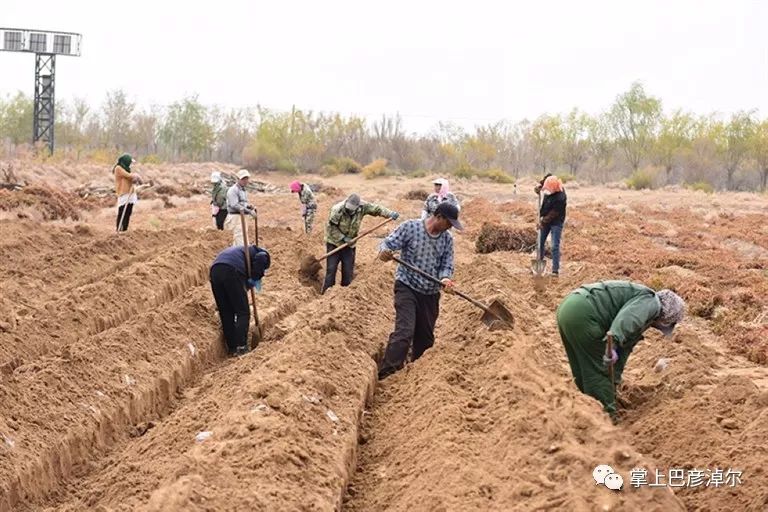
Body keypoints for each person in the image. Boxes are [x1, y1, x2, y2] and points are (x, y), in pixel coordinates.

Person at [556, 281, 685, 423]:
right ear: (667, 317)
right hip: (585, 313)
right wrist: (613, 344)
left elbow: (624, 349)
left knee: (583, 368)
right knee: (599, 372)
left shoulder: (643, 305)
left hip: (569, 308)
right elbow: (628, 318)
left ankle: (587, 407)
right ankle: (607, 421)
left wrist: (614, 382)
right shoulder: (652, 302)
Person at [377, 202, 462, 380]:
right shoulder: (411, 227)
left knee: (425, 339)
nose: (449, 228)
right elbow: (387, 243)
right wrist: (385, 251)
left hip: (430, 293)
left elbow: (447, 264)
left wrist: (445, 279)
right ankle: (387, 374)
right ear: (439, 217)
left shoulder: (447, 239)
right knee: (404, 331)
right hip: (407, 285)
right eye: (449, 223)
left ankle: (418, 378)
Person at [323, 193, 399, 293]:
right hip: (334, 243)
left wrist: (389, 213)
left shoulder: (363, 207)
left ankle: (344, 295)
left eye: (352, 210)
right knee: (331, 270)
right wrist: (343, 237)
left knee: (348, 271)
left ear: (357, 207)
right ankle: (326, 293)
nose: (350, 211)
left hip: (350, 245)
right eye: (348, 209)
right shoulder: (337, 209)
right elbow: (331, 228)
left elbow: (377, 209)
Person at [209, 245, 271, 356]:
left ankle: (232, 348)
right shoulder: (262, 253)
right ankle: (241, 347)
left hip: (215, 271)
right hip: (231, 271)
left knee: (226, 312)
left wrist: (247, 282)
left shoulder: (244, 251)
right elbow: (262, 258)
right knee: (243, 312)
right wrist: (255, 277)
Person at [538, 175, 567, 276]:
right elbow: (547, 178)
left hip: (556, 222)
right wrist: (539, 186)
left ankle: (555, 271)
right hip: (545, 218)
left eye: (549, 189)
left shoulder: (561, 197)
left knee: (555, 246)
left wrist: (542, 222)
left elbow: (553, 214)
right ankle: (539, 267)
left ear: (554, 189)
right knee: (540, 243)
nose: (547, 191)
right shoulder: (551, 181)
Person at [225, 169, 257, 245]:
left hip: (242, 216)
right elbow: (235, 205)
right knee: (239, 238)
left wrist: (248, 206)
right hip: (235, 217)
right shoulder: (233, 190)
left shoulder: (243, 190)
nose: (245, 181)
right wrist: (249, 211)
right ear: (238, 179)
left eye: (246, 178)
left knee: (243, 236)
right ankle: (241, 254)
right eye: (243, 179)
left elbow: (242, 203)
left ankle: (242, 254)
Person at [113, 154, 142, 232]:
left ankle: (125, 229)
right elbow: (128, 176)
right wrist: (135, 175)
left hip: (130, 193)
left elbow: (131, 177)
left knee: (128, 212)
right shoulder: (118, 168)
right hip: (123, 193)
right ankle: (119, 229)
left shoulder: (127, 168)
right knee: (122, 211)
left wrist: (136, 178)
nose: (130, 164)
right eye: (130, 162)